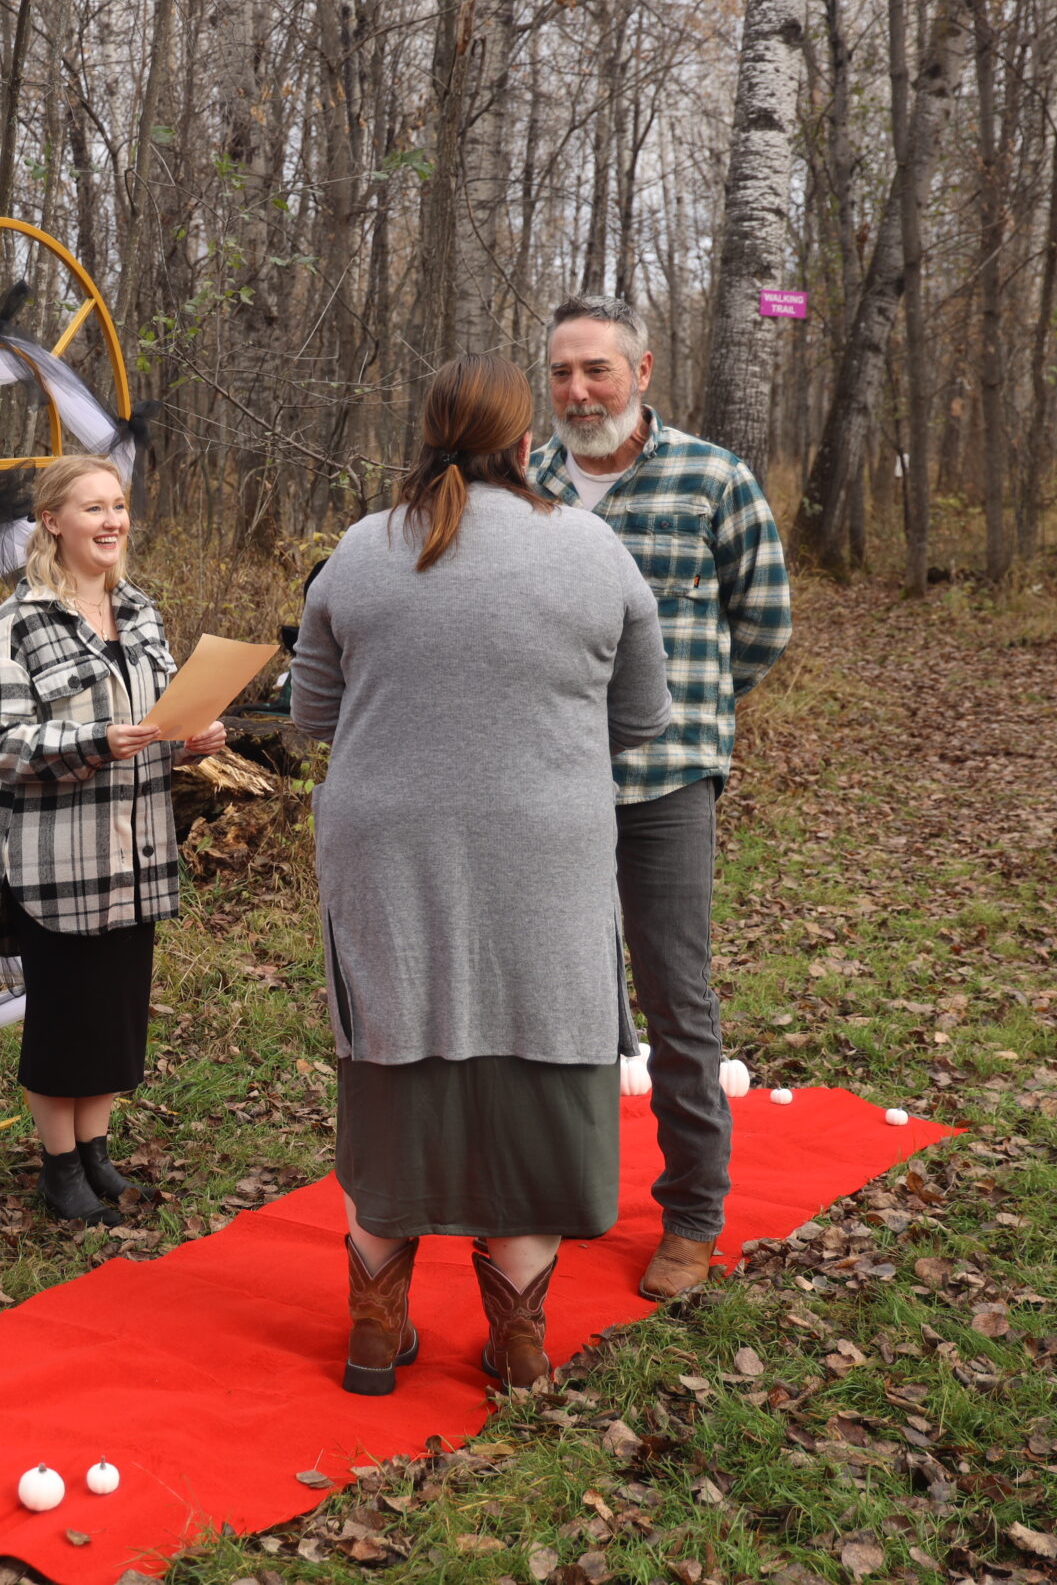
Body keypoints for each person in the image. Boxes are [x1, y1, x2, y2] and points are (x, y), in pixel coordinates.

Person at [292, 355, 672, 1392]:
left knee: (392, 1063)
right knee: (538, 1065)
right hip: (539, 852)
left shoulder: (359, 551)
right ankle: (515, 1343)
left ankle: (377, 1330)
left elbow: (312, 716)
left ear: (427, 433)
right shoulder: (591, 551)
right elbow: (641, 717)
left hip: (386, 848)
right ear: (522, 443)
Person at [525, 296, 793, 1302]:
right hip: (542, 781)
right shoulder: (525, 484)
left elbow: (760, 624)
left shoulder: (710, 478)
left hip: (665, 780)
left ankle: (691, 1213)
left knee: (674, 995)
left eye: (595, 369)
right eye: (560, 372)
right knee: (558, 995)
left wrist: (688, 716)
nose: (576, 390)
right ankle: (570, 1181)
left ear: (643, 373)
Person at [0, 453, 227, 1226]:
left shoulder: (142, 612)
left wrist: (191, 735)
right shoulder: (14, 624)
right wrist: (93, 741)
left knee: (115, 1012)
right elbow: (4, 744)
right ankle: (57, 1166)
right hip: (60, 861)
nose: (113, 520)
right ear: (52, 521)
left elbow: (162, 711)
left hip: (139, 852)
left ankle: (93, 1150)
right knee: (65, 1018)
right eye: (93, 507)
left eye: (118, 505)